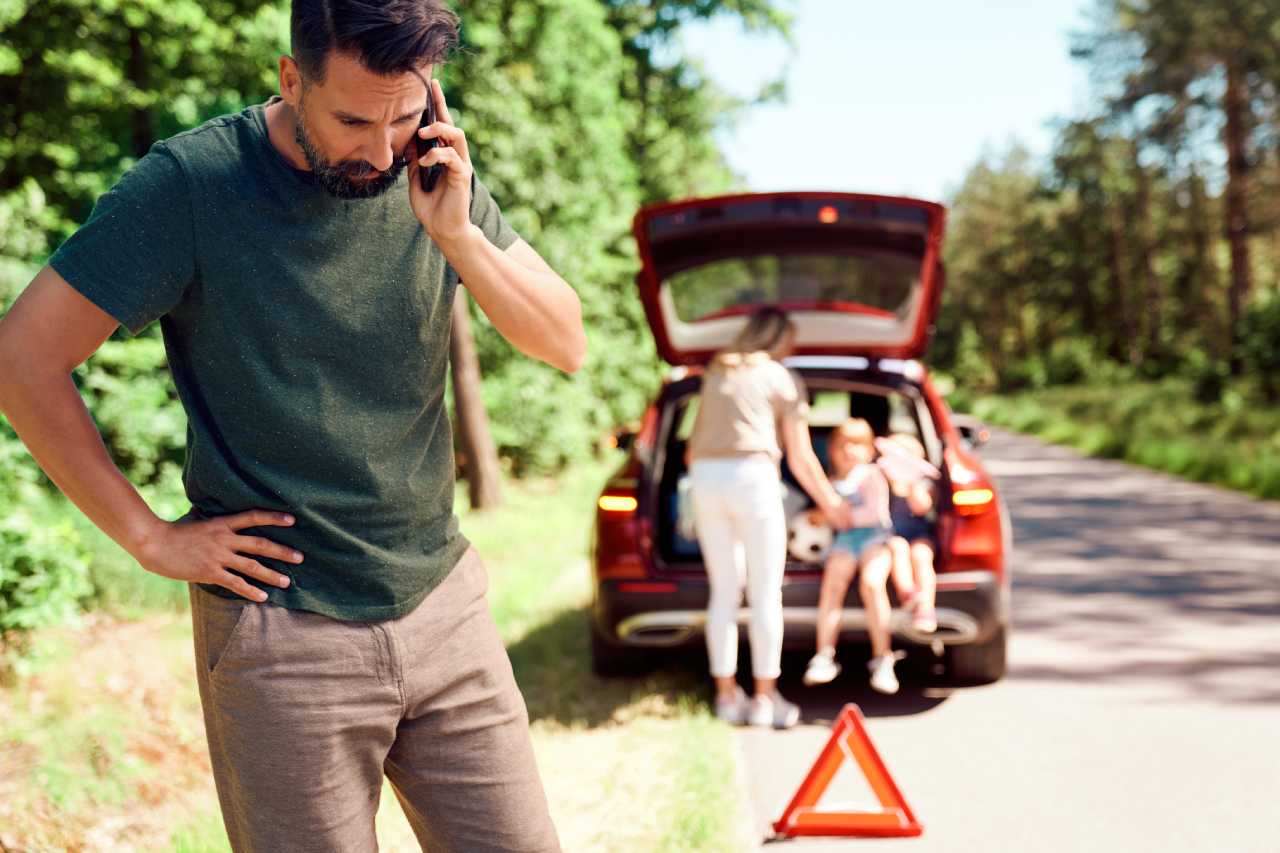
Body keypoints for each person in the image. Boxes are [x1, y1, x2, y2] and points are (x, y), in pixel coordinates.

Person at [0, 2, 580, 850]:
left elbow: (564, 341)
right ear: (289, 77)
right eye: (352, 119)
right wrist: (149, 539)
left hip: (445, 606)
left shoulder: (432, 176)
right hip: (282, 631)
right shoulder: (189, 187)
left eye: (407, 115)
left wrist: (458, 236)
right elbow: (22, 358)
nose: (382, 150)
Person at [684, 307, 854, 729]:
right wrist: (831, 501)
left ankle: (727, 697)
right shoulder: (780, 377)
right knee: (764, 593)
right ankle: (764, 700)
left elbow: (689, 450)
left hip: (704, 480)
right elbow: (799, 456)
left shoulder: (716, 372)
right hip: (752, 478)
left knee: (724, 592)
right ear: (778, 339)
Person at [802, 418, 904, 695]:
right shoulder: (831, 482)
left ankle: (883, 657)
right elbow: (826, 517)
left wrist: (843, 516)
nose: (849, 451)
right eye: (842, 445)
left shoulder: (872, 476)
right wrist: (821, 516)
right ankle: (824, 655)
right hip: (845, 542)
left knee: (872, 584)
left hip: (876, 538)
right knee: (832, 586)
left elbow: (874, 512)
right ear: (831, 451)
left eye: (857, 444)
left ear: (870, 450)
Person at [882, 433, 939, 634]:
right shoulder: (881, 480)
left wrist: (910, 481)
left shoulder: (924, 483)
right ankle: (907, 593)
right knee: (898, 548)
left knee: (921, 556)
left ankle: (926, 608)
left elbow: (922, 507)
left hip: (919, 534)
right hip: (892, 534)